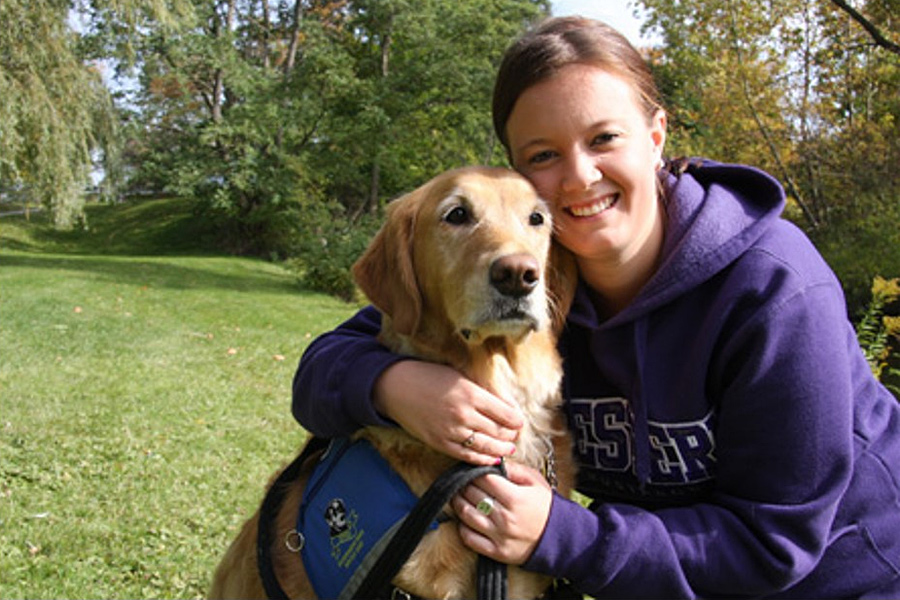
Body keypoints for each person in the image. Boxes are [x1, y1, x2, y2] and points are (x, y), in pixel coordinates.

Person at [292, 16, 900, 598]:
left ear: (656, 135)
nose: (580, 178)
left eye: (604, 138)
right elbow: (322, 370)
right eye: (543, 156)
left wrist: (563, 537)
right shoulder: (540, 274)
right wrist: (395, 384)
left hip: (845, 581)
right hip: (656, 581)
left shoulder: (773, 286)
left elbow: (775, 544)